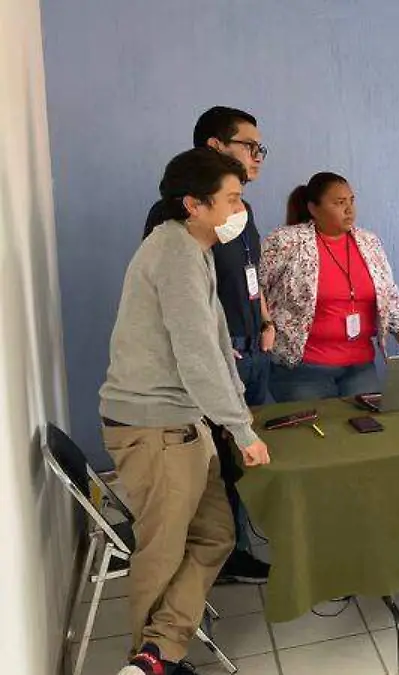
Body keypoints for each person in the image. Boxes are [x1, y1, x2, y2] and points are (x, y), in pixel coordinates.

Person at [104, 148, 271, 675]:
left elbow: (216, 342)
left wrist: (237, 413)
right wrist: (240, 430)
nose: (239, 211)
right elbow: (197, 356)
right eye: (231, 200)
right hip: (156, 426)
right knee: (164, 551)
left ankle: (159, 648)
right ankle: (149, 661)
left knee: (216, 534)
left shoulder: (192, 249)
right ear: (194, 205)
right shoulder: (175, 253)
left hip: (183, 422)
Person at [142, 106, 271, 586]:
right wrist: (217, 350)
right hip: (215, 358)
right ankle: (226, 556)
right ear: (216, 145)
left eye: (260, 148)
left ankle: (239, 545)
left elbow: (252, 274)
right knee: (221, 462)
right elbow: (180, 301)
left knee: (246, 457)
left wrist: (265, 321)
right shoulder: (176, 218)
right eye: (249, 146)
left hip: (251, 348)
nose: (258, 156)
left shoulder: (241, 212)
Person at [262, 172, 399, 401]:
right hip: (303, 369)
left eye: (351, 201)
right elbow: (256, 290)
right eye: (340, 203)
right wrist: (265, 327)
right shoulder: (286, 241)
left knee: (368, 422)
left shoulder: (369, 242)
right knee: (318, 425)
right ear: (313, 208)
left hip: (359, 366)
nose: (350, 210)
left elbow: (390, 297)